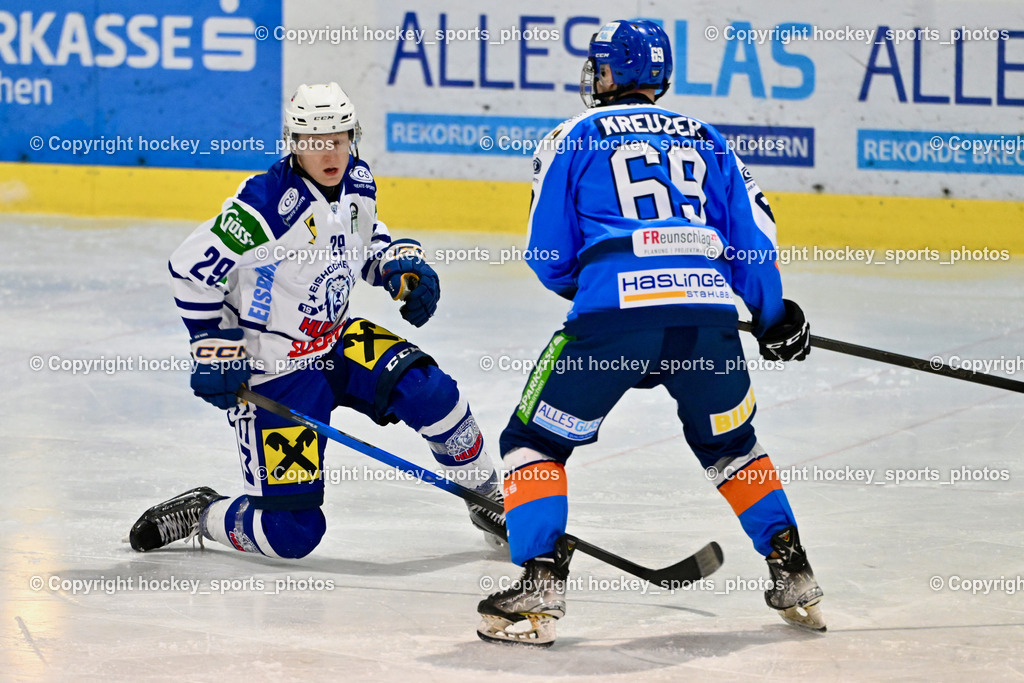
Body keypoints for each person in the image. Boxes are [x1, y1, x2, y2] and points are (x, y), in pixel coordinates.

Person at [476, 21, 823, 647]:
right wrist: (771, 316)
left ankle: (540, 579)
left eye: (600, 67)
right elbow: (754, 240)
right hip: (709, 322)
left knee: (532, 440)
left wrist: (599, 301)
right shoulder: (710, 139)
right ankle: (791, 566)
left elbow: (547, 250)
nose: (596, 76)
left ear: (612, 74)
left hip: (613, 318)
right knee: (730, 446)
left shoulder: (572, 135)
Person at [128, 82, 503, 559]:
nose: (330, 152)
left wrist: (397, 265)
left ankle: (489, 498)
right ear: (295, 144)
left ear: (353, 137)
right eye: (314, 142)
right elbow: (190, 269)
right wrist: (215, 349)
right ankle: (204, 512)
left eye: (339, 139)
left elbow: (364, 242)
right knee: (290, 534)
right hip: (276, 374)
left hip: (337, 343)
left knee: (434, 393)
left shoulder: (358, 181)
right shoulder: (265, 204)